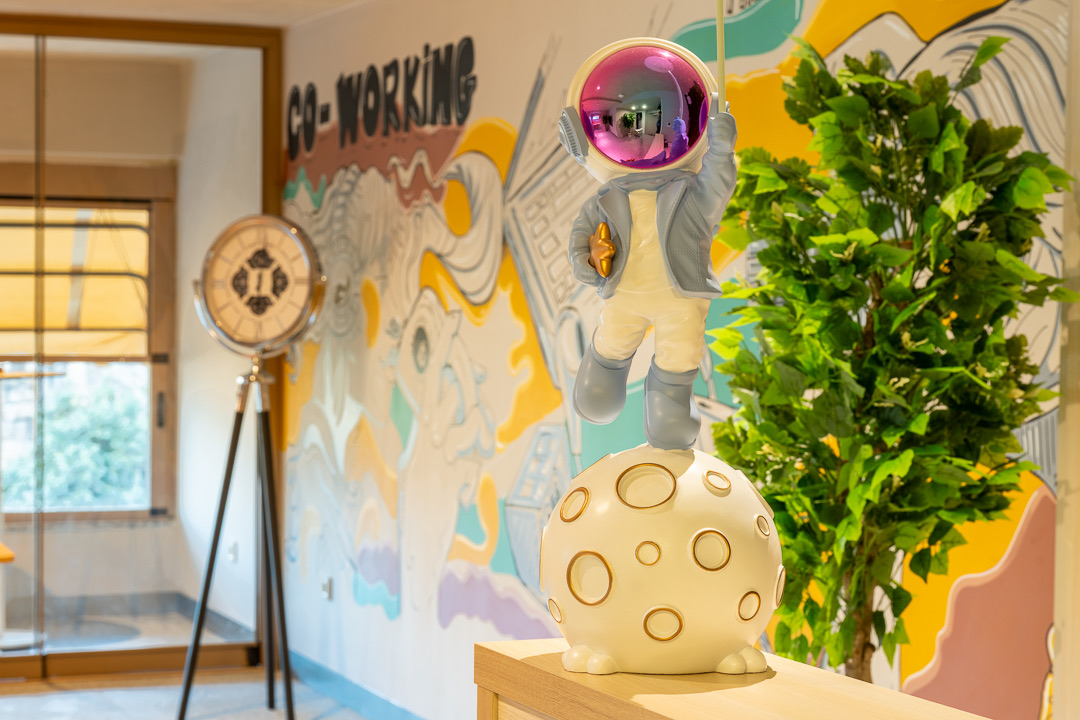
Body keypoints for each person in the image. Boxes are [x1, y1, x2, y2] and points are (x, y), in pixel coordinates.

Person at [557, 39, 737, 450]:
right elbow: (580, 243)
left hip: (681, 297)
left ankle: (670, 410)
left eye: (652, 122)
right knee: (613, 340)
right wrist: (590, 261)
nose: (638, 136)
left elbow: (718, 184)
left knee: (681, 353)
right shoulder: (604, 201)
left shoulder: (691, 194)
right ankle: (602, 374)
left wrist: (722, 147)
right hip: (625, 295)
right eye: (625, 125)